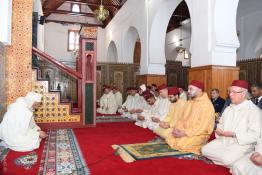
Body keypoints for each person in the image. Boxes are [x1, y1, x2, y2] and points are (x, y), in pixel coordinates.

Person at [201, 80, 262, 168]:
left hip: (241, 145)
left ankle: (232, 159)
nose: (230, 94)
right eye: (230, 91)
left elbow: (254, 135)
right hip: (224, 141)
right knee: (204, 150)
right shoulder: (228, 109)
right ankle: (232, 159)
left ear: (243, 94)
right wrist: (219, 131)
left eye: (234, 92)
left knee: (226, 159)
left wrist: (234, 135)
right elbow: (220, 125)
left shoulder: (254, 111)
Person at [166, 80, 215, 155]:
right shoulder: (189, 102)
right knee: (169, 136)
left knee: (181, 144)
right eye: (188, 89)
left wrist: (185, 133)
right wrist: (177, 129)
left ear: (199, 90)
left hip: (199, 134)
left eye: (191, 89)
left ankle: (202, 144)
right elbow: (181, 118)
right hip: (184, 130)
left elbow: (202, 127)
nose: (188, 91)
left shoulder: (206, 105)